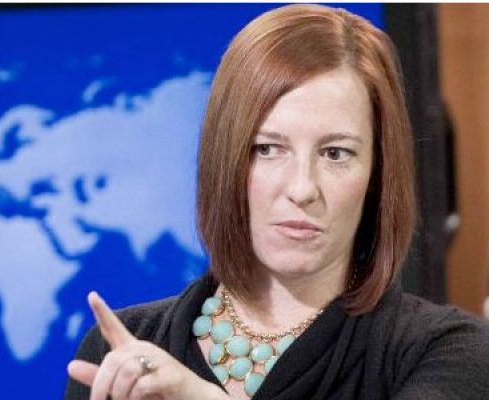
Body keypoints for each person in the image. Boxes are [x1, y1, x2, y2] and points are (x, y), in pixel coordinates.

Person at [65, 4, 489, 400]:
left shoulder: (448, 352)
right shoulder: (119, 354)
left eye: (335, 153)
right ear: (225, 159)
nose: (302, 189)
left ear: (378, 174)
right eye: (268, 149)